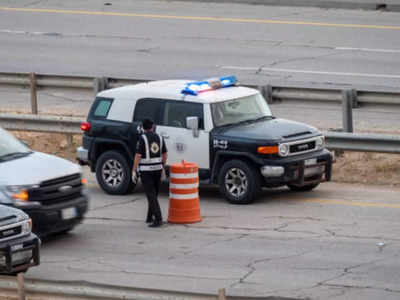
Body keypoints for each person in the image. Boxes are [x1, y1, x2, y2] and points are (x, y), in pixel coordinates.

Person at [132, 118, 168, 228]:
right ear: (152, 127)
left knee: (151, 195)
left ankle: (158, 219)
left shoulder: (142, 138)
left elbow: (138, 156)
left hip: (146, 171)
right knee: (154, 194)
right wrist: (162, 167)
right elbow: (165, 154)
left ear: (142, 127)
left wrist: (134, 170)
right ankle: (149, 216)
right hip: (158, 169)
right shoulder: (160, 137)